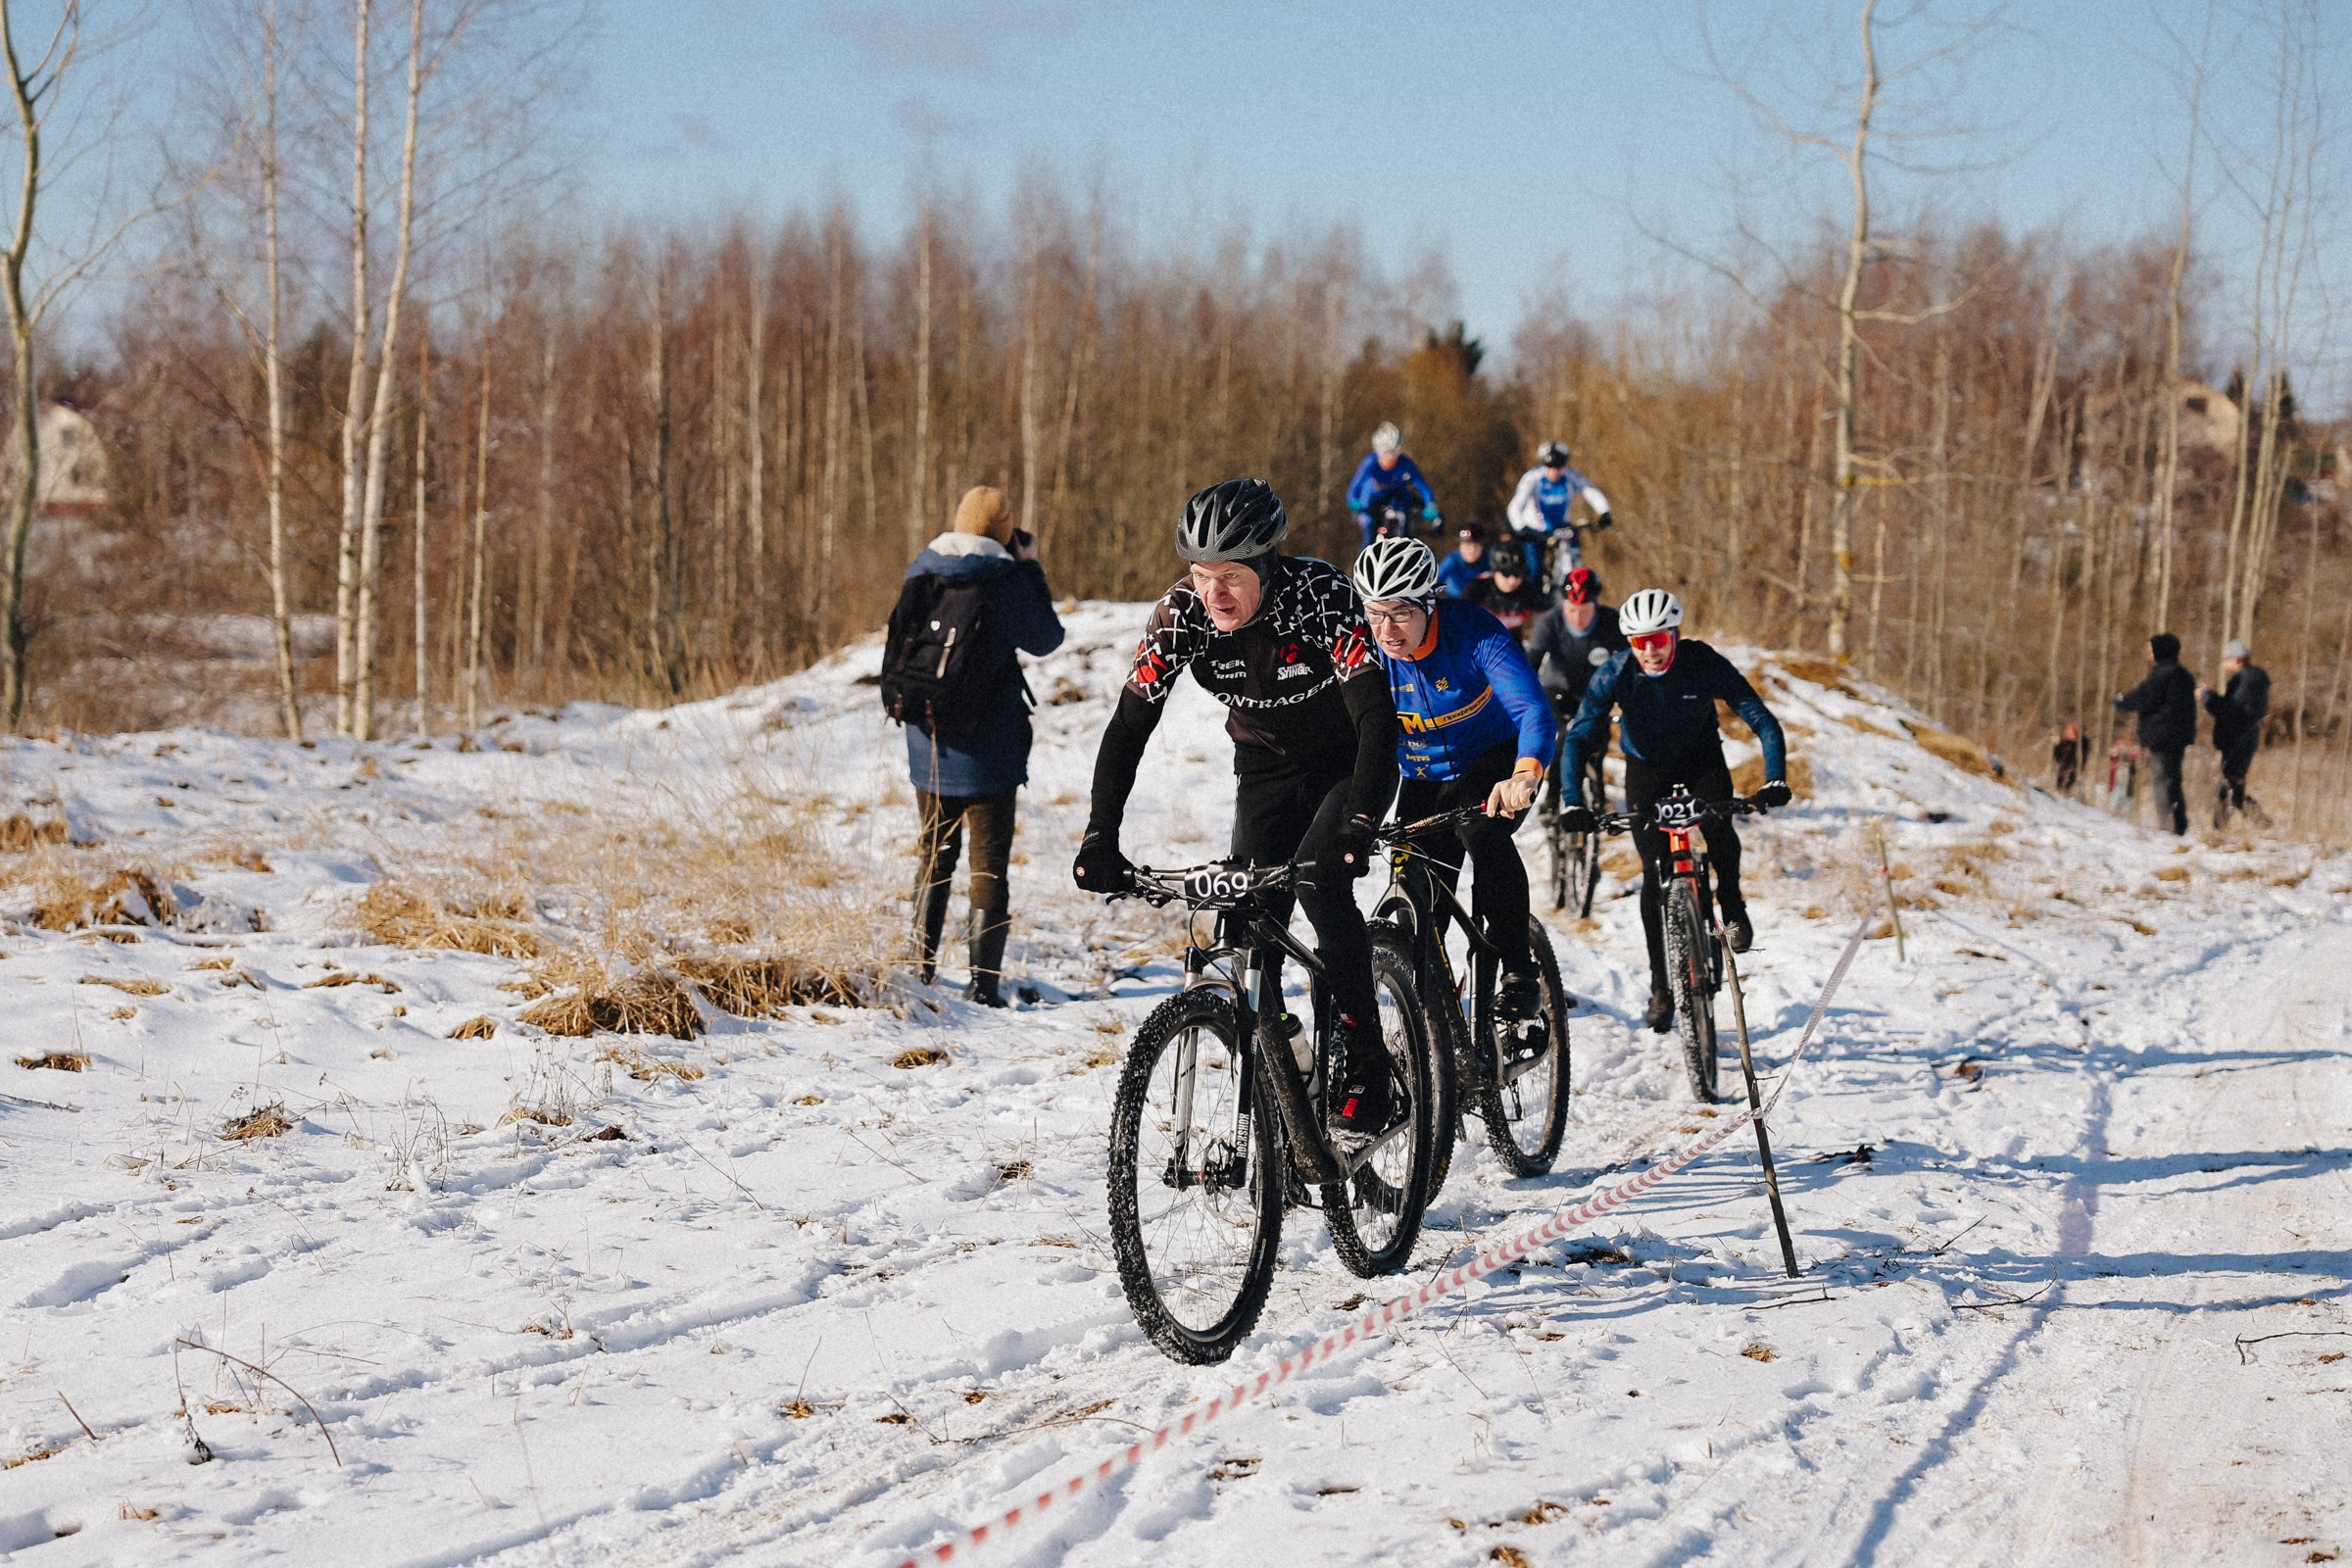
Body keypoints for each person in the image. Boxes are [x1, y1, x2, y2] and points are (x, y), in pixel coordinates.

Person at [1073, 478, 1402, 1136]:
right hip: (1263, 770)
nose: (1213, 593)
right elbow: (1127, 728)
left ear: (1266, 566)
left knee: (1319, 881)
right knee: (1244, 926)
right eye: (1201, 575)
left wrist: (1360, 826)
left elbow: (1376, 720)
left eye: (1230, 576)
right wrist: (1099, 835)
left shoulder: (1319, 596)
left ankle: (1366, 1057)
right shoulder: (1181, 615)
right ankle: (1287, 1055)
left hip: (1348, 760)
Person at [1557, 589, 1788, 1034]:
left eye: (1660, 639)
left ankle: (1732, 903)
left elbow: (1758, 716)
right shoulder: (1616, 672)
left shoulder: (1702, 661)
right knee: (1652, 871)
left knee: (1720, 829)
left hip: (1702, 759)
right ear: (1629, 642)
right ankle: (1662, 987)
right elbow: (1580, 737)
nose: (1651, 650)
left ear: (1676, 634)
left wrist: (1775, 777)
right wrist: (1572, 800)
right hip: (1646, 768)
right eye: (1640, 641)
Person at [1352, 537, 1558, 1033]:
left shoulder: (1474, 632)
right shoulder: (1366, 649)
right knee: (1416, 890)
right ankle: (1437, 1024)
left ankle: (1516, 971)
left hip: (1492, 760)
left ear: (1429, 602)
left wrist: (1525, 774)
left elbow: (1533, 709)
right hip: (1420, 773)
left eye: (1400, 612)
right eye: (1375, 613)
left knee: (1482, 832)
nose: (1387, 629)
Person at [894, 486, 1066, 1005]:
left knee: (933, 856)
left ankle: (919, 969)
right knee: (987, 865)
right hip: (990, 754)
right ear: (1005, 532)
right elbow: (1047, 637)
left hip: (929, 746)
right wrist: (1031, 567)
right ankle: (982, 987)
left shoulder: (921, 572)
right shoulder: (1005, 580)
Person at [1526, 566, 1627, 814]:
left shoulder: (1610, 622)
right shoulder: (1549, 623)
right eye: (1572, 610)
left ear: (1595, 605)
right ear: (1564, 606)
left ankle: (1597, 793)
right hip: (1557, 689)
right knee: (1566, 738)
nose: (1578, 618)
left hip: (1594, 693)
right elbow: (1530, 668)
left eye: (1585, 611)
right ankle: (1552, 798)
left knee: (1598, 741)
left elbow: (1628, 666)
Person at [2115, 632, 2197, 836]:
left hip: (2161, 738)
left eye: (2151, 650)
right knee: (2174, 782)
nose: (2148, 655)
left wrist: (2121, 700)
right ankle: (2179, 826)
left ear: (2160, 652)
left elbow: (2140, 698)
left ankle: (2168, 830)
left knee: (2162, 783)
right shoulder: (2184, 675)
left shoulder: (2162, 675)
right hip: (2178, 737)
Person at [1504, 440, 1613, 579]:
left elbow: (1590, 492)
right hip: (1534, 530)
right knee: (1535, 568)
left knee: (1573, 562)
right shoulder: (1532, 478)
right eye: (1549, 466)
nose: (1554, 470)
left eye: (1559, 466)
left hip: (1561, 527)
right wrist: (1520, 527)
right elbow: (1515, 505)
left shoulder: (1571, 476)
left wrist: (1604, 512)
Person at [2200, 639, 2272, 827]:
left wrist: (2208, 697)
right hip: (2243, 739)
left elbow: (2229, 711)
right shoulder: (2253, 680)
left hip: (2238, 741)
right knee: (2234, 789)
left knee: (2230, 787)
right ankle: (2261, 824)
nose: (2224, 664)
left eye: (2226, 660)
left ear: (2238, 660)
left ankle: (2220, 828)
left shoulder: (2245, 681)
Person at [1346, 421, 1440, 547]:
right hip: (1372, 498)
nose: (1390, 458)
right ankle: (1365, 558)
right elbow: (1355, 486)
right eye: (1386, 454)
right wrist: (1354, 501)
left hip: (1397, 496)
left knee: (1405, 527)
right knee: (1369, 531)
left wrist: (1430, 504)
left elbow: (1421, 485)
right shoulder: (1370, 463)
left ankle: (1407, 553)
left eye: (1394, 453)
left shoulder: (1405, 463)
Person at [1467, 549, 1547, 640]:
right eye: (1506, 574)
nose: (1512, 581)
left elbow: (1543, 619)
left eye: (1517, 574)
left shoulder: (1528, 589)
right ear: (1494, 573)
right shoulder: (1478, 586)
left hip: (1511, 640)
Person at [1436, 520, 1494, 600]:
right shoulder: (1452, 560)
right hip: (1454, 601)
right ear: (1460, 547)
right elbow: (1434, 581)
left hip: (1481, 602)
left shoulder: (1489, 560)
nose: (1472, 550)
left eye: (1476, 546)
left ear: (1482, 547)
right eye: (1467, 545)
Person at [2051, 722, 2082, 795]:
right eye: (2067, 731)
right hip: (2062, 761)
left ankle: (2065, 790)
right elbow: (2057, 753)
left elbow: (2075, 755)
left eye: (2071, 732)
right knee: (2061, 773)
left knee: (2071, 776)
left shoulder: (2076, 744)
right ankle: (2059, 790)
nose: (2068, 733)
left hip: (2071, 763)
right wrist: (2056, 745)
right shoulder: (2063, 742)